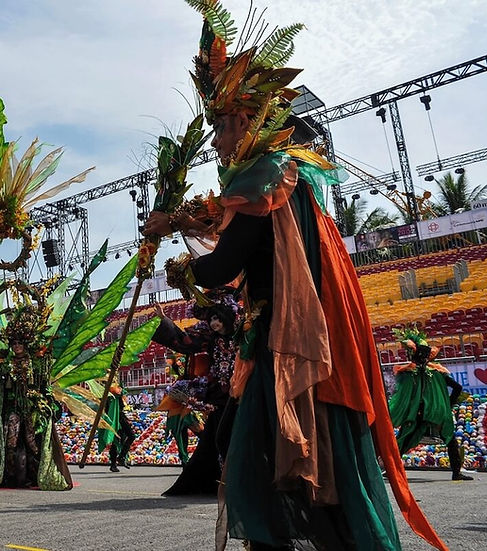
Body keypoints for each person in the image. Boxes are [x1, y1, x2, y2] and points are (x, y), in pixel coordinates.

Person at [142, 2, 446, 549]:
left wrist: (181, 268)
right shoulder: (283, 174)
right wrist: (179, 222)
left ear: (245, 120)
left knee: (257, 455)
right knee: (266, 454)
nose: (215, 141)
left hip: (283, 345)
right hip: (278, 340)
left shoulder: (264, 174)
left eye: (219, 127)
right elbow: (237, 230)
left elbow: (225, 263)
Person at [151, 289, 238, 496]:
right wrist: (164, 320)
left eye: (218, 319)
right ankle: (225, 479)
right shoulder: (210, 338)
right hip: (219, 394)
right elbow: (185, 342)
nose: (214, 323)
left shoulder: (244, 332)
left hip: (243, 392)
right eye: (212, 319)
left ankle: (241, 479)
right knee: (219, 437)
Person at [387, 326, 472, 481]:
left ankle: (391, 469)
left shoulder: (408, 373)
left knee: (404, 438)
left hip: (418, 413)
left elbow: (401, 395)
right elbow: (458, 388)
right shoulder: (436, 371)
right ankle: (456, 472)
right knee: (450, 440)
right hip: (437, 414)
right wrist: (448, 404)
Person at [97, 382, 135, 473]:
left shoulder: (113, 394)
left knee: (120, 439)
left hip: (118, 417)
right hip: (114, 418)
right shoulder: (110, 394)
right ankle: (118, 460)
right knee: (120, 439)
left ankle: (119, 459)